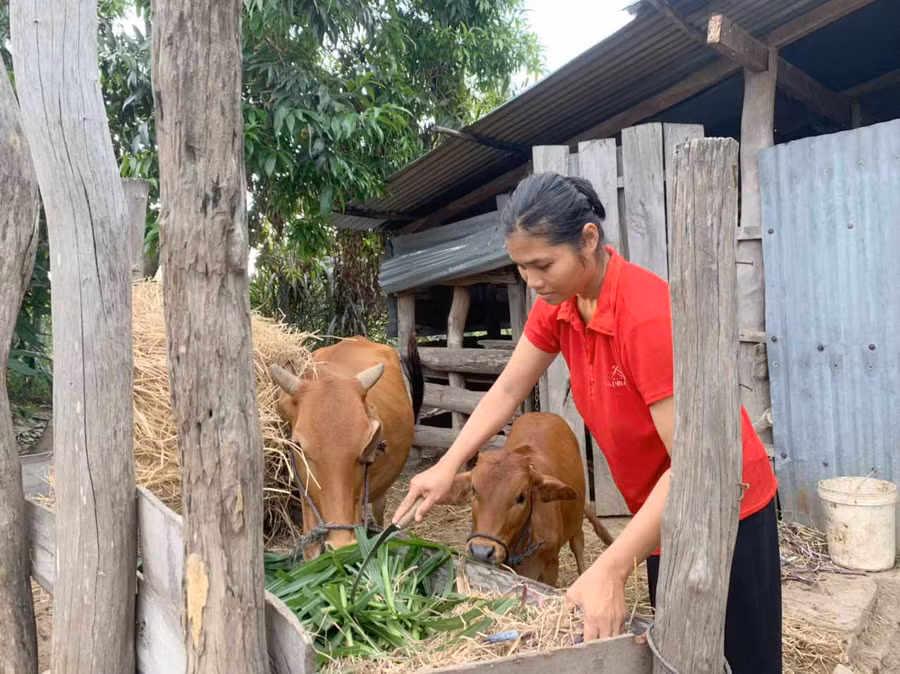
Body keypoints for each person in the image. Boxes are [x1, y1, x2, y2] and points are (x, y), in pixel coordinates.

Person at [392, 171, 782, 673]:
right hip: (660, 511)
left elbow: (696, 465)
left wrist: (613, 565)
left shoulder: (645, 316)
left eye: (542, 264)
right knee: (684, 650)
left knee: (744, 659)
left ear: (589, 240)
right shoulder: (561, 305)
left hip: (729, 502)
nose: (532, 280)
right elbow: (509, 389)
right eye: (521, 268)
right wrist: (448, 464)